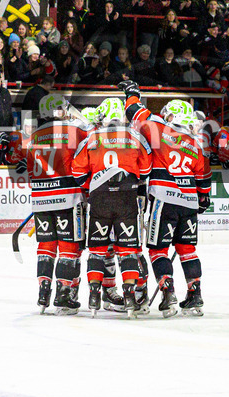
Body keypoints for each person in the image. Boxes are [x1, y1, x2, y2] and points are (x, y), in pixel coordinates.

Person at [120, 80, 210, 317]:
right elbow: (203, 176)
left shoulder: (159, 130)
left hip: (164, 201)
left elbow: (133, 112)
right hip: (189, 202)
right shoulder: (195, 143)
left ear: (171, 116)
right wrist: (203, 199)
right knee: (188, 249)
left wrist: (132, 93)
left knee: (158, 250)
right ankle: (195, 294)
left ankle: (168, 294)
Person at [70, 97, 153, 318]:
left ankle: (95, 296)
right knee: (128, 250)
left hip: (99, 199)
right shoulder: (135, 136)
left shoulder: (92, 137)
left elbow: (77, 171)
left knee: (98, 249)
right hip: (128, 198)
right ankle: (130, 295)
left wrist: (94, 185)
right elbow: (146, 169)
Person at [11, 93, 92, 314]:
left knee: (45, 246)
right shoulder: (74, 130)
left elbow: (19, 161)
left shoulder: (32, 135)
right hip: (68, 198)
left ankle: (43, 290)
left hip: (40, 199)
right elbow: (94, 147)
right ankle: (63, 294)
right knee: (69, 247)